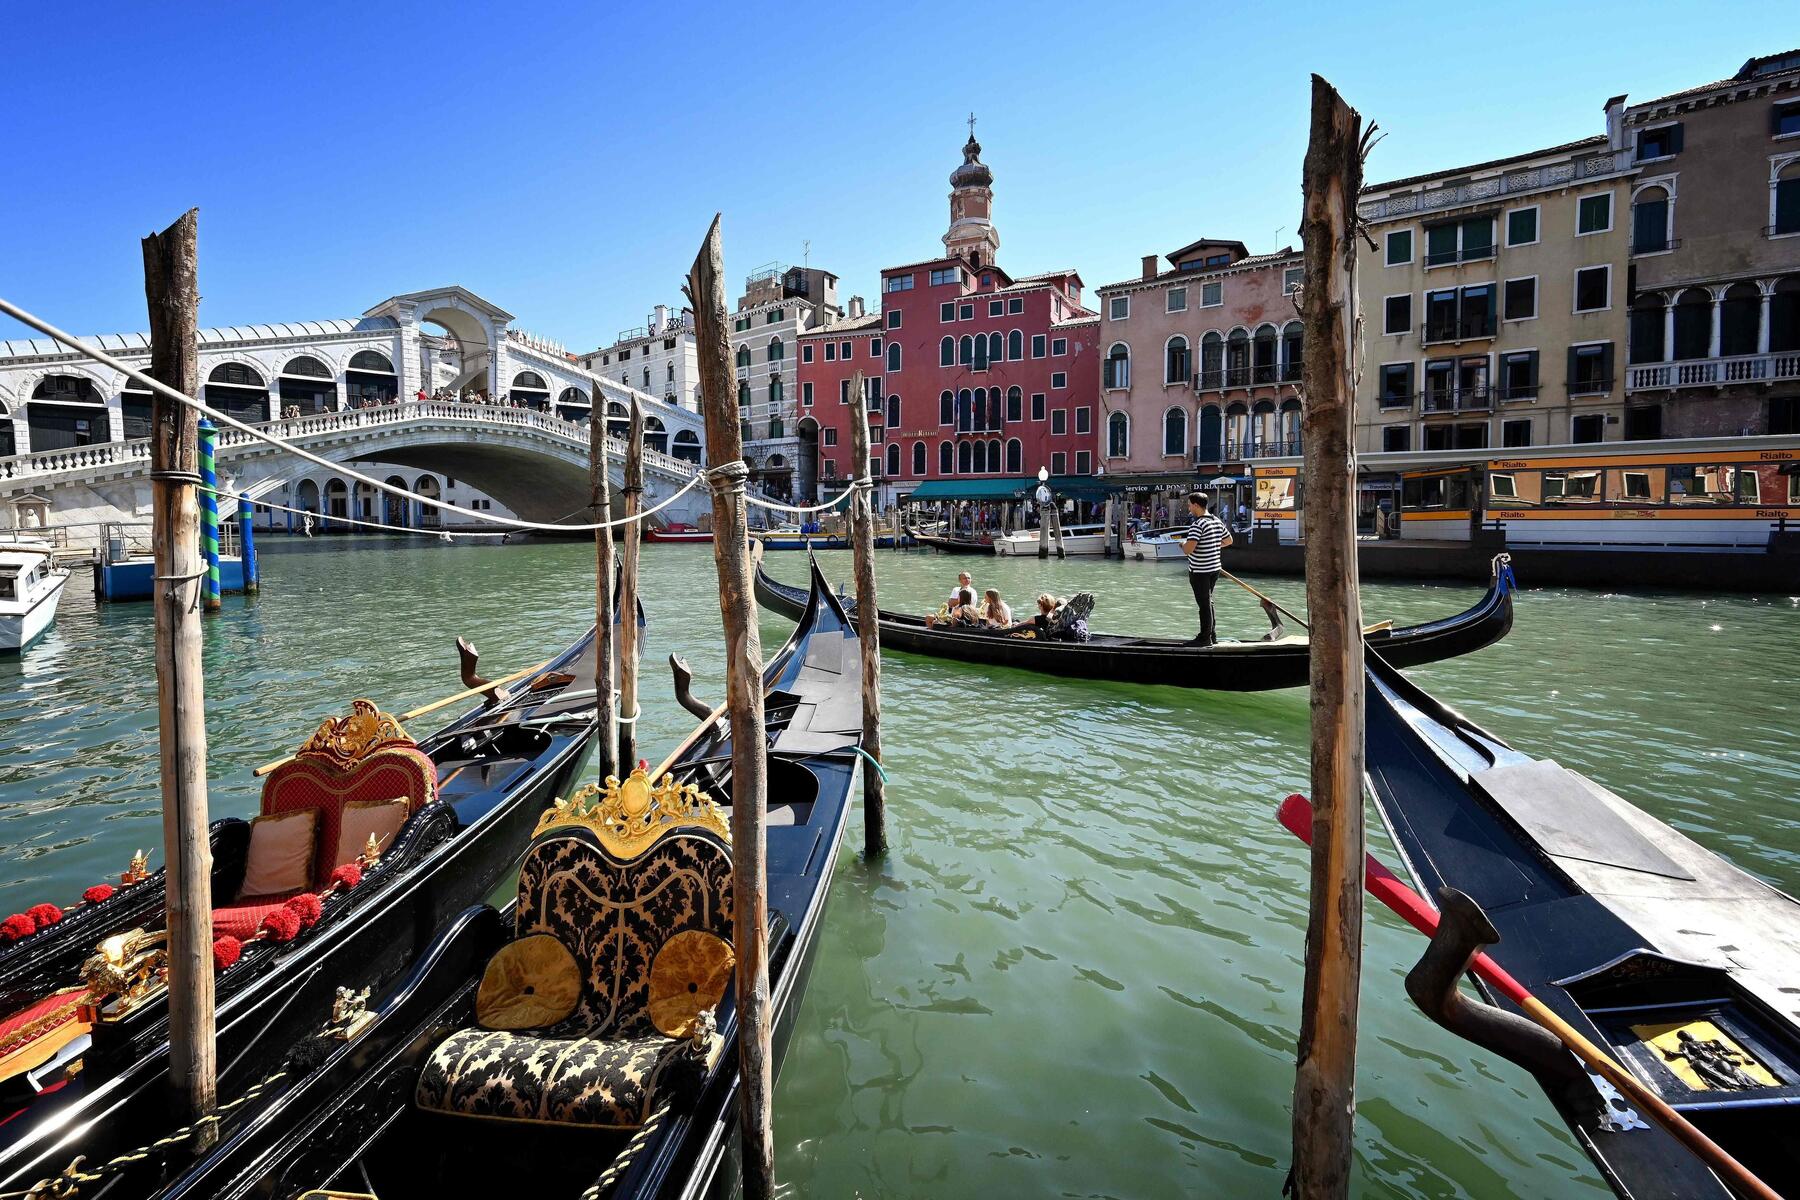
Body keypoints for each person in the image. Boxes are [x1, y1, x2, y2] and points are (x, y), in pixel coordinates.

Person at [1180, 491, 1232, 646]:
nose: (1189, 508)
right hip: (1214, 568)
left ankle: (1204, 638)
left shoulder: (1198, 524)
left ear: (1196, 505)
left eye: (1189, 505)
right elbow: (1229, 540)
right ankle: (1211, 635)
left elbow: (1188, 549)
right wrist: (1213, 546)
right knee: (1208, 602)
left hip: (1200, 571)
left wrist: (1182, 544)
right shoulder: (1216, 520)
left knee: (1204, 604)